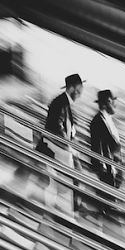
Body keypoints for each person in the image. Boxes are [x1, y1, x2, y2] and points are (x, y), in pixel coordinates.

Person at [35, 73, 84, 213]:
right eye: (80, 90)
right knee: (64, 180)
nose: (80, 94)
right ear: (73, 88)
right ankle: (65, 210)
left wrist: (72, 140)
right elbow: (57, 127)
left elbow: (65, 127)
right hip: (54, 148)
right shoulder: (61, 103)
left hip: (57, 147)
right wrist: (70, 147)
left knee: (70, 178)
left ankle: (69, 208)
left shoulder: (64, 102)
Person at [89, 89, 124, 215]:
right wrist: (101, 167)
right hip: (106, 167)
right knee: (107, 202)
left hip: (112, 166)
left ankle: (106, 211)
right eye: (111, 101)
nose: (114, 104)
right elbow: (100, 146)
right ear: (104, 104)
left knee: (109, 200)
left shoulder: (107, 119)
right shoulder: (98, 121)